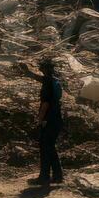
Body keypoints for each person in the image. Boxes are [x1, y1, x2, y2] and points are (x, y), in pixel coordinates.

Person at [33, 58, 65, 186]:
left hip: (48, 120)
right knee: (50, 147)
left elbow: (45, 104)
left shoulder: (47, 83)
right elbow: (41, 79)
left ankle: (44, 177)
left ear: (44, 69)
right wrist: (28, 73)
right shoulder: (54, 80)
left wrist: (39, 121)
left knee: (45, 148)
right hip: (56, 119)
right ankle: (57, 176)